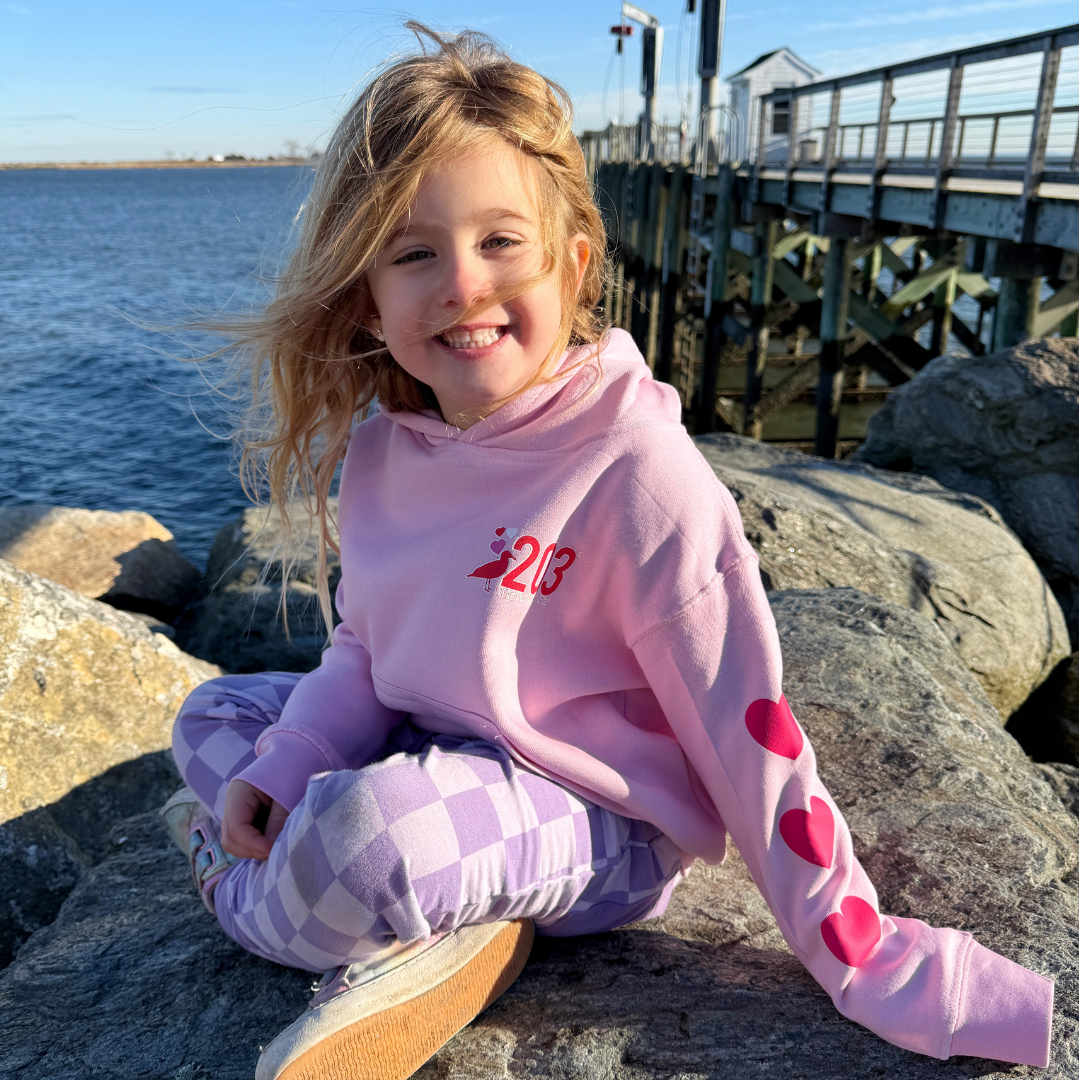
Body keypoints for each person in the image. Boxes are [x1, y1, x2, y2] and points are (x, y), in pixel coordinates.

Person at [162, 23, 1054, 1080]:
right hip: (437, 748)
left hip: (602, 819)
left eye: (501, 241)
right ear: (369, 297)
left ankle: (248, 881)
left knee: (365, 839)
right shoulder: (385, 456)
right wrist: (293, 759)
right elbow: (365, 649)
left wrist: (866, 959)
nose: (462, 283)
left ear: (574, 263)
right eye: (413, 253)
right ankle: (427, 923)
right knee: (213, 716)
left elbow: (746, 730)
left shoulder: (636, 470)